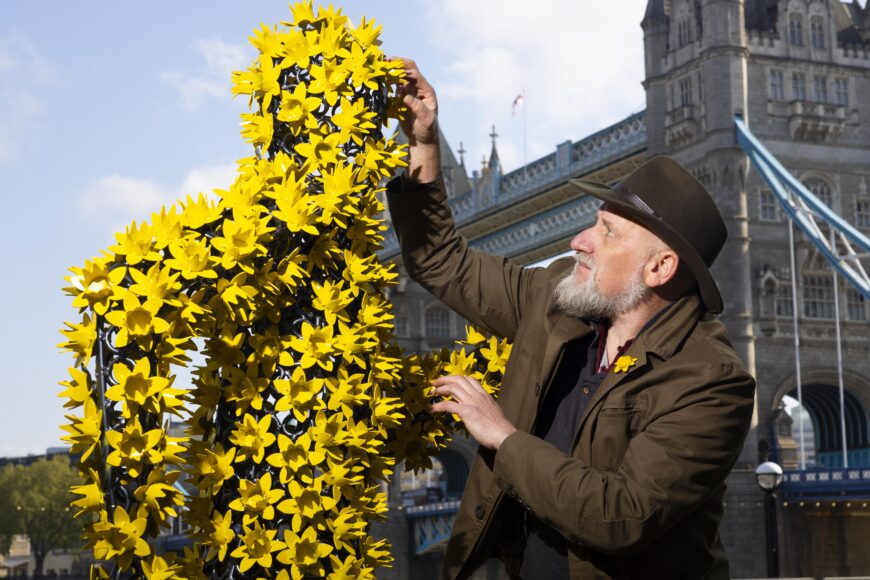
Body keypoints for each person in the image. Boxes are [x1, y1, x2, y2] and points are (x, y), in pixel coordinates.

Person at [387, 59, 756, 580]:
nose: (578, 241)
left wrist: (501, 436)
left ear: (659, 267)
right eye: (592, 224)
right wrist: (425, 144)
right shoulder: (557, 300)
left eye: (607, 232)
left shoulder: (711, 382)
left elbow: (619, 515)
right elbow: (441, 262)